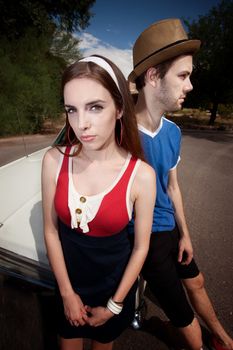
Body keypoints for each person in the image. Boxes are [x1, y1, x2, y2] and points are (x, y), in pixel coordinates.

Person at [128, 18, 233, 350]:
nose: (190, 86)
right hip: (143, 239)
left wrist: (185, 233)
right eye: (183, 76)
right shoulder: (119, 134)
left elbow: (172, 187)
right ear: (154, 76)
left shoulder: (173, 132)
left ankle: (222, 338)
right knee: (184, 319)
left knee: (198, 282)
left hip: (170, 228)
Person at [41, 54, 156, 350]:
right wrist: (66, 293)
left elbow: (141, 247)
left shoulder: (141, 175)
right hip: (68, 283)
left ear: (119, 108)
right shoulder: (54, 161)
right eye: (71, 109)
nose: (82, 123)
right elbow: (51, 231)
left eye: (95, 107)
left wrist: (115, 305)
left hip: (113, 289)